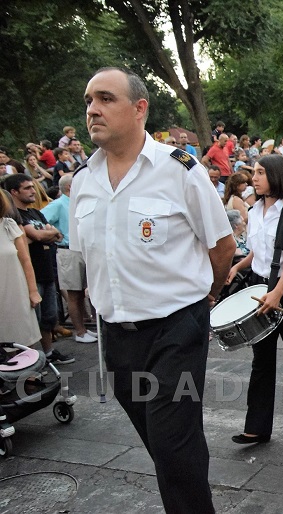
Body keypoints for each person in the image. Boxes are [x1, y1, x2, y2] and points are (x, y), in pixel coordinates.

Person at [71, 67, 234, 513]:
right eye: (88, 101)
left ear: (140, 108)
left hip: (174, 329)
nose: (92, 110)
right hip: (117, 336)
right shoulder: (83, 182)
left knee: (172, 442)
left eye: (105, 98)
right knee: (165, 444)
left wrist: (206, 298)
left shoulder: (179, 169)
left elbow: (222, 246)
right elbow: (88, 256)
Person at [225, 154, 283, 444]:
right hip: (259, 289)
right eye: (255, 173)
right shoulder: (254, 209)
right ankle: (257, 426)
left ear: (274, 175)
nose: (255, 178)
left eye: (261, 173)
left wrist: (277, 293)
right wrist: (238, 267)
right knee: (261, 359)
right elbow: (257, 253)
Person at [4, 174, 71, 364]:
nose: (33, 191)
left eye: (33, 187)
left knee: (49, 318)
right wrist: (41, 235)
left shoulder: (36, 213)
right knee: (32, 322)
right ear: (14, 192)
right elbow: (35, 237)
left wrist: (40, 235)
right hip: (29, 275)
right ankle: (29, 361)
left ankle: (49, 354)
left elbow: (56, 234)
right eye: (27, 188)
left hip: (47, 270)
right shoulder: (14, 217)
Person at [41, 173, 97, 343]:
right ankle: (80, 332)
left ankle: (92, 326)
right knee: (74, 293)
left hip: (88, 248)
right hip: (68, 250)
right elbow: (41, 218)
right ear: (70, 187)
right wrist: (54, 233)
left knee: (93, 290)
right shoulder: (58, 204)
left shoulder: (84, 201)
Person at [0, 189, 42, 347]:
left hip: (15, 293)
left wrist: (33, 291)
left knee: (21, 342)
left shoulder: (8, 225)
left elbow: (26, 261)